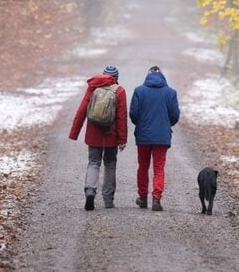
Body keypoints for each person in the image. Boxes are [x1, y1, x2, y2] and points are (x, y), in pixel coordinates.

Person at [68, 65, 127, 210]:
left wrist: (74, 133)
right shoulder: (119, 91)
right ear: (116, 78)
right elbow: (121, 117)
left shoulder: (93, 87)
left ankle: (90, 191)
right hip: (111, 135)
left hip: (93, 135)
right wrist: (122, 140)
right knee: (110, 165)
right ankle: (108, 200)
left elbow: (82, 110)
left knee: (93, 163)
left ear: (104, 75)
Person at [129, 65, 180, 211]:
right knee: (159, 169)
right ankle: (156, 199)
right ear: (162, 76)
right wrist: (165, 124)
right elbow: (175, 115)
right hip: (162, 137)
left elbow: (133, 114)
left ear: (147, 75)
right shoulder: (171, 93)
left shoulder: (139, 91)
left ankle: (143, 197)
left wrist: (141, 124)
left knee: (143, 167)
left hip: (143, 136)